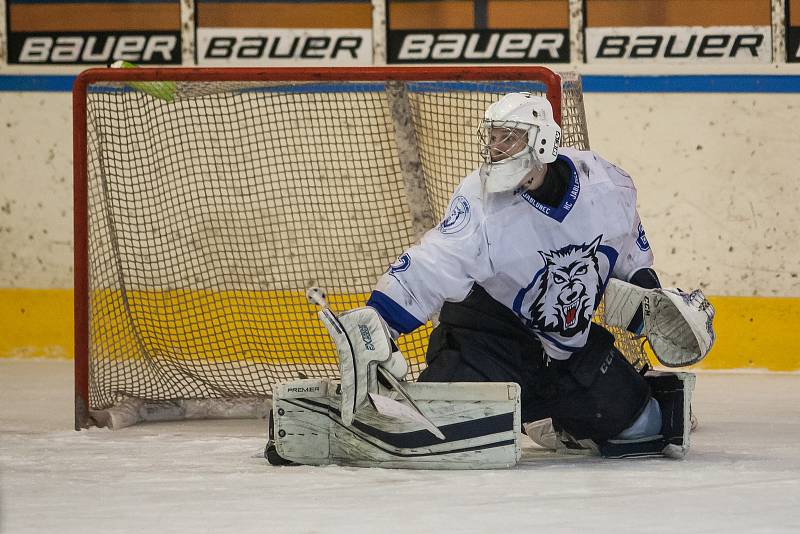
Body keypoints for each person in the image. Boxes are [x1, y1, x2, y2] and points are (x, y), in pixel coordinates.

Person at [363, 92, 680, 457]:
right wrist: (380, 320)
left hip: (565, 347)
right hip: (490, 337)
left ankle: (546, 418)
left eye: (509, 137)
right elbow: (435, 260)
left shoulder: (605, 185)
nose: (497, 148)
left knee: (645, 427)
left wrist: (654, 307)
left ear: (543, 141)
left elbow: (628, 255)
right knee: (434, 429)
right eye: (493, 137)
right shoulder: (481, 199)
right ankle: (523, 408)